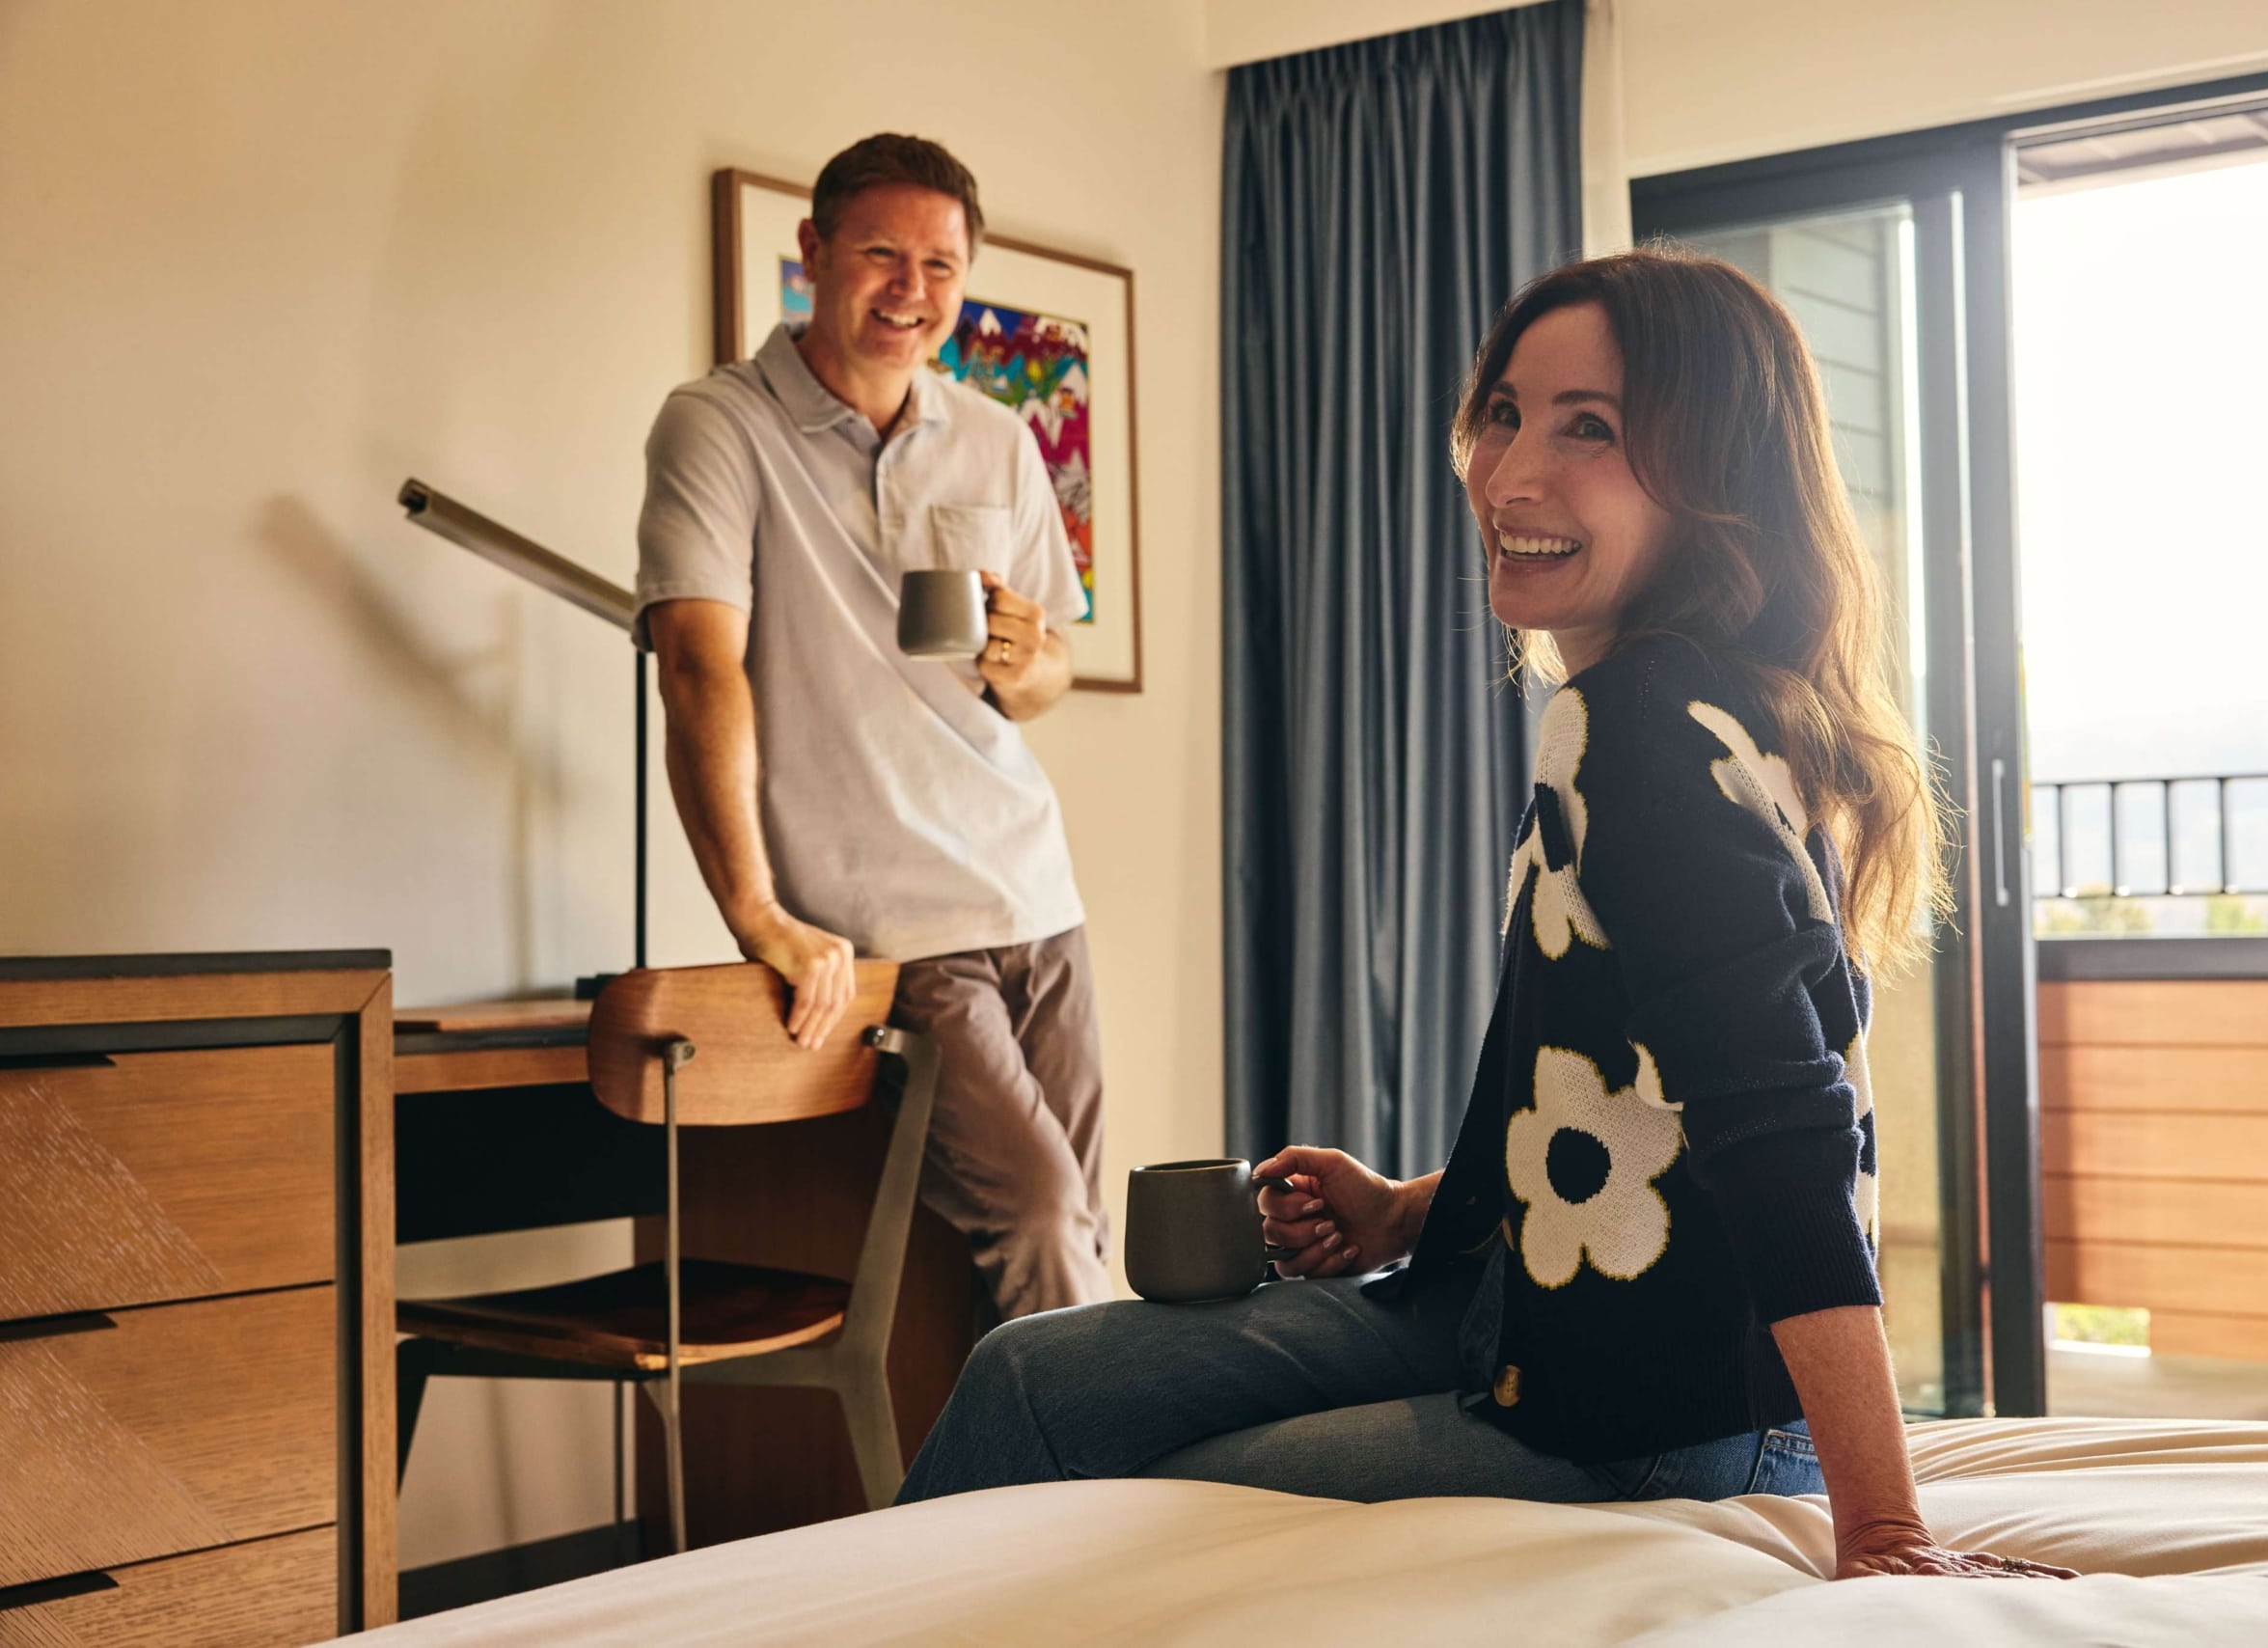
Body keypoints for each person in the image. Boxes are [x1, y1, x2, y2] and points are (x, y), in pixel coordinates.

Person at [895, 246, 2075, 1582]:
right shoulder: (1704, 701)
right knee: (1033, 1376)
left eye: (1593, 431)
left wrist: (1886, 1530)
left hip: (1660, 1417)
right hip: (1515, 1314)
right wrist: (1410, 1213)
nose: (1510, 476)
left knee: (1123, 1493)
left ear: (1716, 476)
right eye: (1504, 414)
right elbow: (1628, 1098)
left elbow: (1775, 1122)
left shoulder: (1634, 721)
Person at [634, 133, 1109, 1320]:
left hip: (1037, 890)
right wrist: (758, 914)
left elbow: (1048, 678)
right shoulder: (719, 426)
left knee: (1085, 1218)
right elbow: (698, 669)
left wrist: (1026, 657)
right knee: (1043, 1213)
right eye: (881, 254)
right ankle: (1097, 1499)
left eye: (940, 266)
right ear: (813, 254)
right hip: (898, 923)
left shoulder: (999, 440)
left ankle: (1069, 1486)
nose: (912, 290)